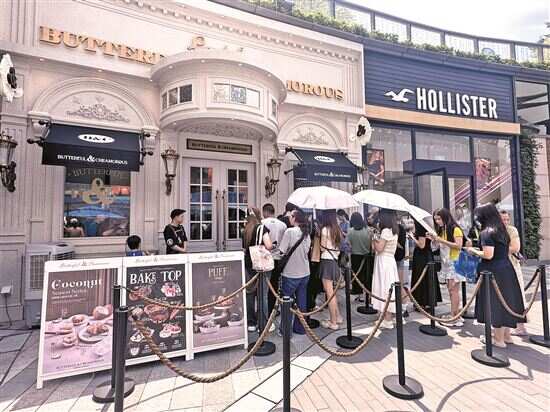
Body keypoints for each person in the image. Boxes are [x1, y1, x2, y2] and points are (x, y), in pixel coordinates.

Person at [466, 204, 525, 348]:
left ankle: (498, 339)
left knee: (495, 304)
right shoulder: (502, 230)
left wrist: (473, 251)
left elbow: (488, 255)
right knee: (506, 302)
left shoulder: (487, 232)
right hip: (506, 268)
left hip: (492, 271)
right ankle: (506, 336)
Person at [427, 208, 464, 327]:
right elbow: (436, 247)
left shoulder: (455, 229)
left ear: (445, 217)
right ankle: (455, 315)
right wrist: (434, 239)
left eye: (439, 218)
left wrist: (441, 240)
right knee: (451, 290)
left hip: (455, 263)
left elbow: (458, 245)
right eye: (435, 219)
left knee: (454, 291)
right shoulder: (442, 230)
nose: (437, 221)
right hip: (446, 263)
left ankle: (455, 317)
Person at [278, 209, 311, 335]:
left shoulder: (290, 232)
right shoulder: (306, 233)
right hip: (305, 272)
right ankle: (300, 328)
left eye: (291, 216)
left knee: (287, 302)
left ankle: (285, 330)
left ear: (295, 218)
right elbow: (306, 251)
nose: (289, 218)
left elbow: (282, 251)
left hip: (291, 273)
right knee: (302, 301)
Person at [242, 207, 273, 332]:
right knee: (263, 295)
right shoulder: (261, 228)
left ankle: (251, 323)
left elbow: (244, 248)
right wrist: (272, 245)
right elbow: (268, 245)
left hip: (249, 264)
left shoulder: (245, 230)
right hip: (261, 265)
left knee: (249, 294)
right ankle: (263, 323)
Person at [500, 210, 528, 336]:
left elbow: (516, 248)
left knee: (518, 295)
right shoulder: (496, 231)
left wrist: (496, 249)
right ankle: (510, 327)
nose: (505, 222)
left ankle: (520, 326)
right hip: (503, 267)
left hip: (513, 266)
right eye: (503, 219)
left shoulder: (512, 230)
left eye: (507, 219)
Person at [371, 209, 400, 328]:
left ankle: (387, 319)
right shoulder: (394, 230)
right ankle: (386, 317)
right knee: (387, 288)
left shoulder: (386, 231)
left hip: (384, 262)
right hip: (389, 261)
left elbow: (379, 248)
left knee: (384, 289)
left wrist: (373, 237)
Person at [261, 203, 288, 317]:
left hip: (265, 258)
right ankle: (273, 309)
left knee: (264, 287)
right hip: (278, 257)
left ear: (265, 212)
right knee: (275, 285)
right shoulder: (283, 225)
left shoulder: (262, 223)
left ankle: (264, 310)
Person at [319, 210, 343, 330]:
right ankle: (337, 317)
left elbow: (322, 248)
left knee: (329, 293)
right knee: (332, 292)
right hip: (334, 260)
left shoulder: (325, 230)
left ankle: (333, 322)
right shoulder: (337, 229)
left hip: (326, 261)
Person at [409, 221, 442, 309]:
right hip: (428, 254)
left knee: (421, 278)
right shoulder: (427, 227)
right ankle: (428, 302)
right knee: (427, 279)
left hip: (421, 256)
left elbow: (421, 245)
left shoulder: (420, 229)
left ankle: (422, 303)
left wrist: (412, 237)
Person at [347, 212, 372, 299]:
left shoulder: (350, 231)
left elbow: (348, 244)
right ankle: (368, 295)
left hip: (355, 256)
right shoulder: (368, 230)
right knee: (367, 276)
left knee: (357, 276)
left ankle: (358, 293)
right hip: (367, 256)